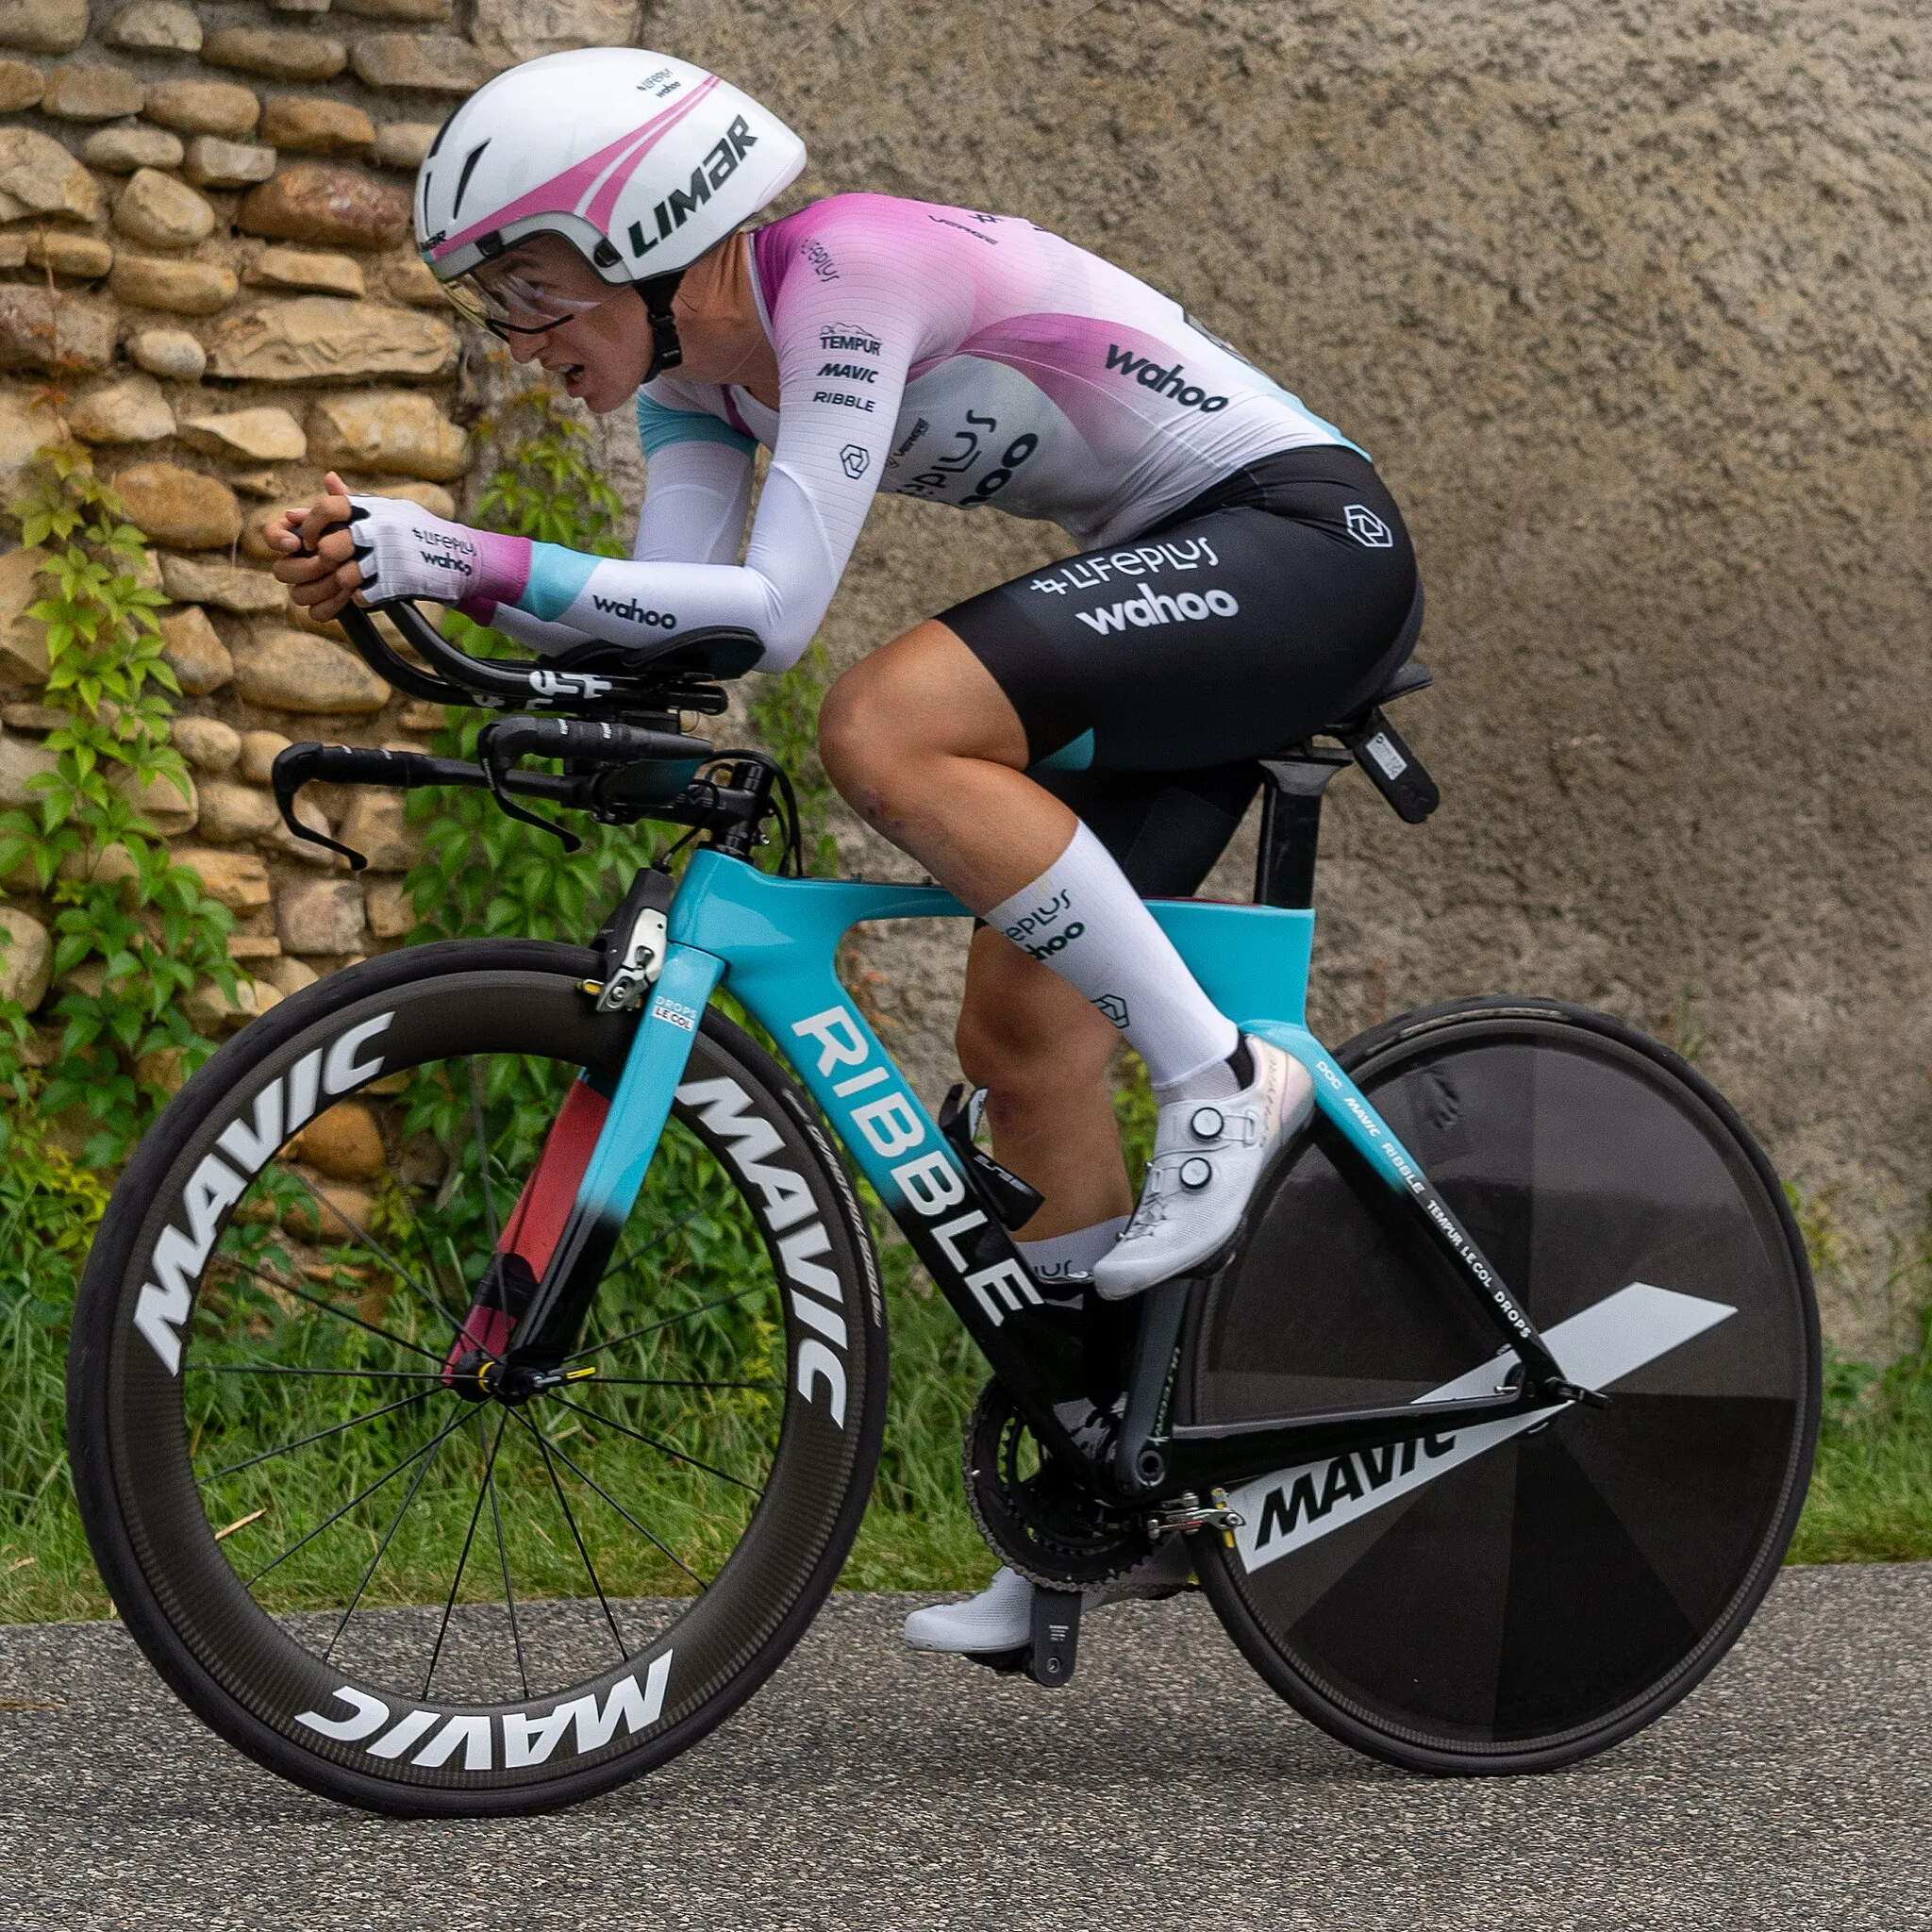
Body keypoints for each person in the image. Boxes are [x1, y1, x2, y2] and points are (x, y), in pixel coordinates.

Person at [269, 47, 1423, 1657]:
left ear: (655, 234)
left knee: (884, 723)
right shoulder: (695, 383)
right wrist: (417, 581)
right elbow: (667, 631)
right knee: (1022, 1045)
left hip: (1303, 543)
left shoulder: (848, 270)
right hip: (1168, 583)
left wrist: (461, 548)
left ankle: (1229, 1077)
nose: (520, 341)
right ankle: (1104, 1503)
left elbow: (780, 618)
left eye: (533, 288)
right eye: (494, 304)